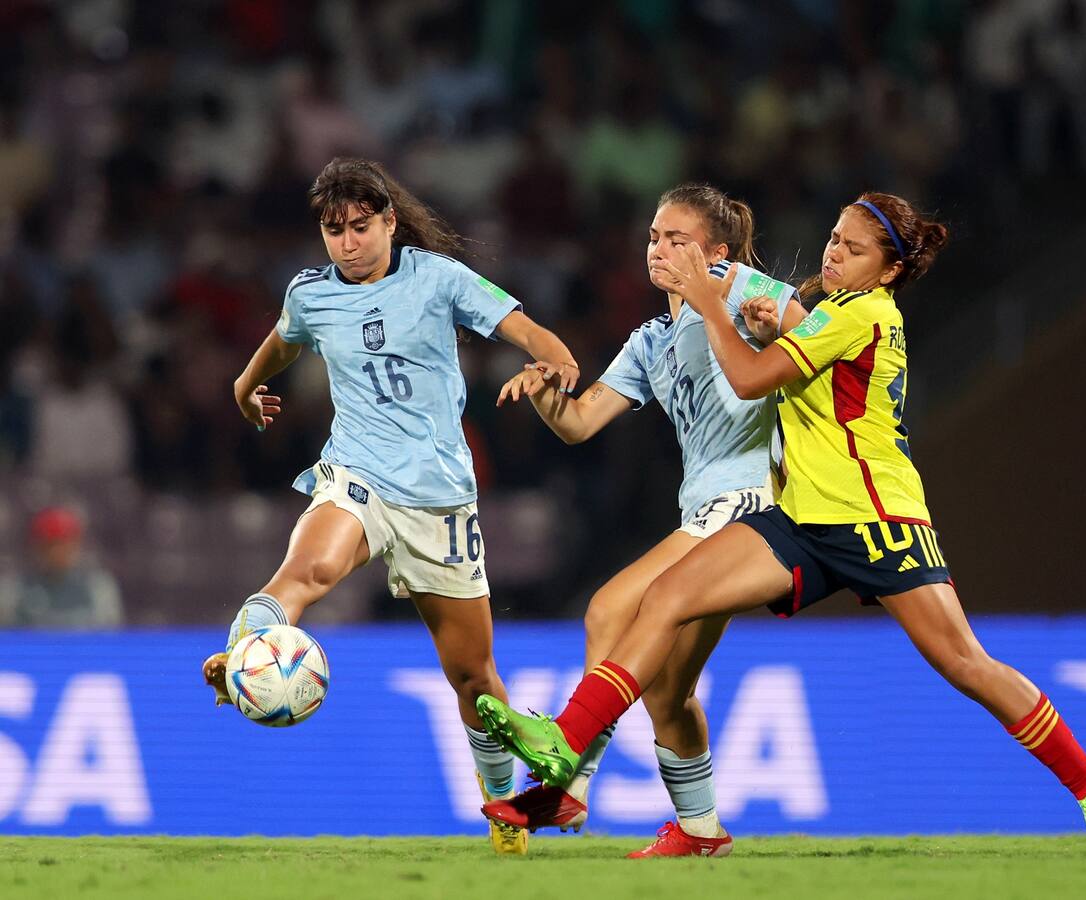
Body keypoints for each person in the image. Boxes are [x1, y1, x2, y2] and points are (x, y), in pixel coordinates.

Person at [473, 192, 1086, 858]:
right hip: (801, 518)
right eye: (835, 238)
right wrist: (761, 332)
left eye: (854, 248)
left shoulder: (861, 312)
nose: (835, 252)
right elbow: (789, 373)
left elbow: (755, 378)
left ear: (888, 271)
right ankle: (577, 753)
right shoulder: (822, 314)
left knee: (965, 664)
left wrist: (719, 306)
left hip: (874, 518)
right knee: (663, 604)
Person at [201, 157, 581, 857]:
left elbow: (532, 334)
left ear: (389, 222)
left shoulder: (438, 279)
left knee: (474, 679)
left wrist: (555, 362)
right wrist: (244, 386)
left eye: (359, 227)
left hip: (439, 500)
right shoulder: (312, 294)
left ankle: (505, 810)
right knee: (307, 570)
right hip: (358, 474)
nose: (346, 242)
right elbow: (282, 341)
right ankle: (240, 656)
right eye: (332, 229)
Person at [483, 184, 807, 858]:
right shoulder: (652, 340)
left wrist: (780, 323)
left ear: (715, 254)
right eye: (654, 237)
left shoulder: (738, 287)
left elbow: (807, 332)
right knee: (667, 695)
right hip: (705, 513)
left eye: (677, 240)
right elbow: (580, 422)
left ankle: (569, 778)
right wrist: (547, 395)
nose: (658, 249)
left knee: (609, 609)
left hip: (752, 507)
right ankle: (701, 831)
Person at [0, 506, 124, 628]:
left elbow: (111, 638)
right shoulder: (14, 591)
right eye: (49, 545)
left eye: (64, 544)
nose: (57, 552)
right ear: (36, 546)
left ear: (76, 544)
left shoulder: (98, 587)